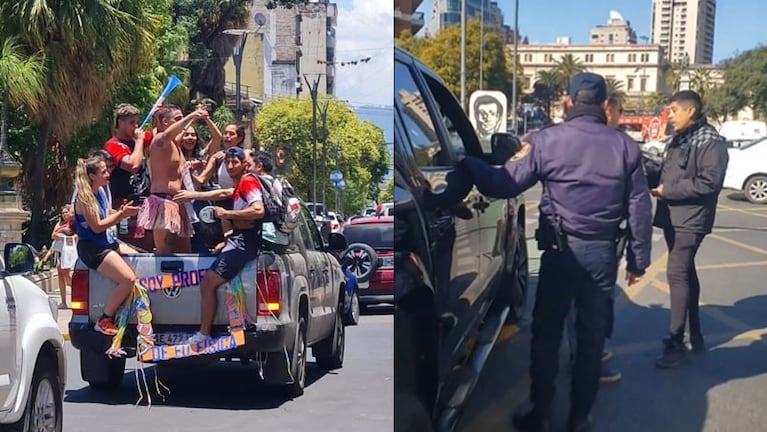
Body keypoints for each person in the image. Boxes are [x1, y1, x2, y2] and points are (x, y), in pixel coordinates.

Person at [441, 72, 653, 431]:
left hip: (558, 255)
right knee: (590, 341)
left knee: (547, 336)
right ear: (604, 105)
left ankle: (539, 415)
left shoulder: (547, 141)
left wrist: (467, 164)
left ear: (569, 102)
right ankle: (579, 419)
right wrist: (638, 261)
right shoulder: (624, 146)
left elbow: (503, 184)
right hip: (602, 255)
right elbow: (639, 208)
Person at [649, 90, 729, 369]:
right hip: (674, 217)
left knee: (677, 273)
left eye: (674, 110)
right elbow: (669, 170)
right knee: (685, 273)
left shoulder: (711, 142)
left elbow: (709, 182)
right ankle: (694, 334)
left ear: (690, 111)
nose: (670, 116)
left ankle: (677, 343)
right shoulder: (681, 138)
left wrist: (669, 190)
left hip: (690, 219)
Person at [564, 92, 626, 385]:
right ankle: (587, 361)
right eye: (617, 112)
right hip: (587, 240)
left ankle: (592, 354)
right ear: (605, 109)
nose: (619, 118)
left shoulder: (619, 145)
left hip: (600, 240)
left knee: (594, 305)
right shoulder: (604, 144)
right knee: (590, 307)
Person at [184, 147, 265, 344]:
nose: (230, 166)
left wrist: (228, 215)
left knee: (207, 284)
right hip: (238, 241)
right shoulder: (240, 185)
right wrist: (190, 195)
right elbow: (222, 193)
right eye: (227, 162)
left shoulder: (248, 182)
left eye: (234, 162)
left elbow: (258, 210)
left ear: (244, 164)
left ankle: (204, 334)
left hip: (243, 243)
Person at [73, 155, 141, 335]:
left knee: (139, 257)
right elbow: (96, 227)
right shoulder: (84, 198)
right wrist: (120, 216)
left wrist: (124, 212)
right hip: (93, 248)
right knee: (128, 279)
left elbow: (105, 213)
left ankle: (127, 310)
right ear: (92, 176)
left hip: (105, 243)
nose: (108, 174)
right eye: (103, 172)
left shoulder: (101, 192)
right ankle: (104, 319)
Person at [136, 104, 208, 253]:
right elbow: (168, 134)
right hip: (163, 202)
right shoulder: (160, 141)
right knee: (166, 255)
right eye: (177, 119)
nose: (182, 122)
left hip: (179, 203)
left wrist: (196, 116)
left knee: (185, 254)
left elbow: (180, 130)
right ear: (165, 123)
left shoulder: (175, 144)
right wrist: (192, 115)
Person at [103, 103, 149, 208]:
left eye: (137, 122)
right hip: (124, 203)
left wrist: (158, 117)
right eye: (132, 122)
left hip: (143, 201)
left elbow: (159, 135)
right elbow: (132, 166)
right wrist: (140, 140)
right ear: (120, 123)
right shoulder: (112, 145)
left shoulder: (136, 141)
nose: (136, 126)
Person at [48, 205, 76, 308]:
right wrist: (62, 236)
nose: (64, 214)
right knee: (60, 273)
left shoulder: (73, 224)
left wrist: (60, 236)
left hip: (68, 251)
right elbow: (53, 235)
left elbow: (75, 236)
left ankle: (75, 288)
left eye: (66, 212)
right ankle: (63, 301)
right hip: (59, 251)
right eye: (63, 213)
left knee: (65, 272)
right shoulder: (59, 224)